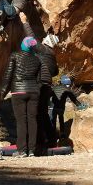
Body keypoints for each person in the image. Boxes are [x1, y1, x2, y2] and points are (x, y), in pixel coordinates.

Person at [0, 36, 49, 157]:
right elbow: (40, 78)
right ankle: (32, 150)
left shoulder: (14, 56)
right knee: (32, 120)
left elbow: (8, 75)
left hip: (18, 92)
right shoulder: (37, 59)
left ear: (23, 45)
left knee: (21, 121)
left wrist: (3, 92)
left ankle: (21, 150)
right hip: (33, 92)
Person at [18, 11, 59, 151]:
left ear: (46, 42)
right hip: (47, 86)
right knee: (43, 114)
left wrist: (24, 21)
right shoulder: (52, 56)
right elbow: (56, 72)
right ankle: (52, 140)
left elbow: (31, 38)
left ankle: (39, 142)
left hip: (39, 84)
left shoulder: (44, 50)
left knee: (34, 114)